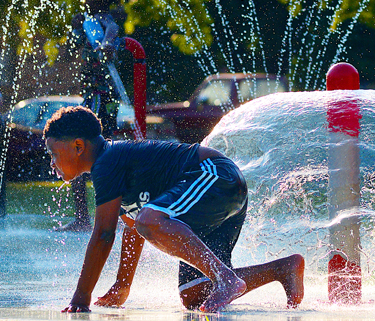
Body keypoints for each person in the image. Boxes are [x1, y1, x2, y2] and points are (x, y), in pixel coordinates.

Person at [43, 105, 305, 313]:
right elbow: (134, 228)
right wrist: (123, 285)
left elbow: (104, 234)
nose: (52, 163)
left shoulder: (107, 162)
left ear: (78, 146)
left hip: (214, 176)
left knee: (150, 219)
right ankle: (281, 270)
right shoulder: (112, 165)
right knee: (193, 294)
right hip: (218, 196)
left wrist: (81, 298)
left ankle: (225, 278)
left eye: (54, 153)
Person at [57, 0, 130, 232]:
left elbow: (111, 36)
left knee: (91, 152)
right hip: (92, 97)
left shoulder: (107, 23)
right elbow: (65, 55)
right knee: (87, 151)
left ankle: (92, 218)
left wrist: (109, 44)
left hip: (103, 98)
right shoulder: (87, 24)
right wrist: (76, 29)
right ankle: (86, 217)